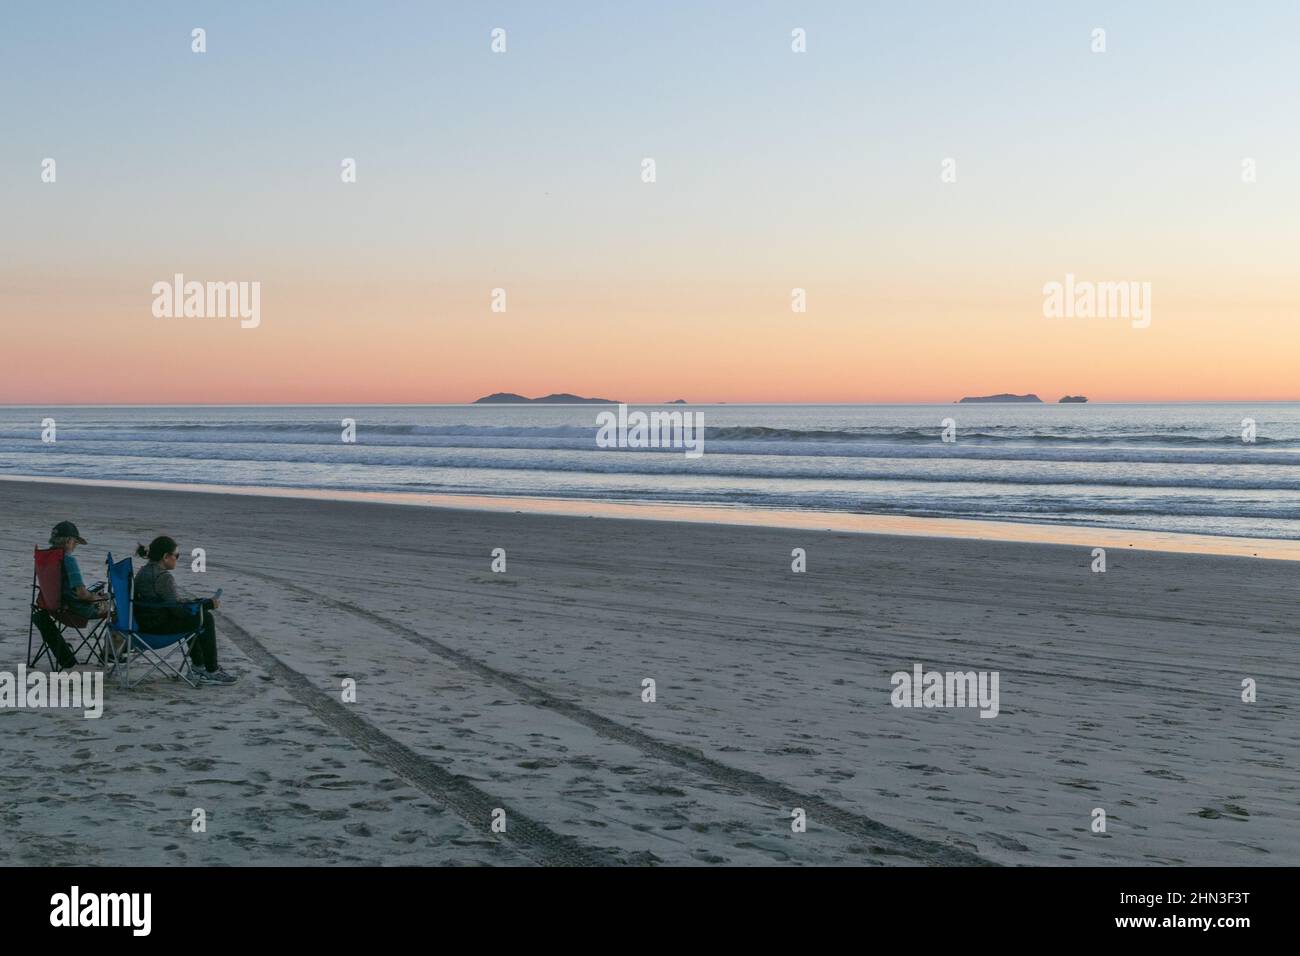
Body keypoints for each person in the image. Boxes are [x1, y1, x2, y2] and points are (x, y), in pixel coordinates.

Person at [133, 536, 236, 685]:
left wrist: (195, 603)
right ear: (165, 557)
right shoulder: (163, 577)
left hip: (143, 621)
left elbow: (167, 602)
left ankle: (198, 666)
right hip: (154, 627)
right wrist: (206, 605)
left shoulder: (144, 571)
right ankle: (211, 670)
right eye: (176, 556)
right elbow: (178, 611)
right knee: (204, 618)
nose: (177, 559)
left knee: (195, 615)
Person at [50, 520, 110, 620]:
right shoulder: (69, 560)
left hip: (53, 606)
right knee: (115, 606)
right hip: (76, 610)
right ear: (69, 540)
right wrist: (97, 598)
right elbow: (82, 594)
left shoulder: (47, 557)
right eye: (76, 542)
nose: (75, 546)